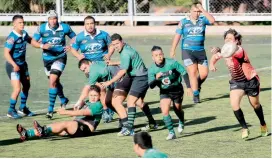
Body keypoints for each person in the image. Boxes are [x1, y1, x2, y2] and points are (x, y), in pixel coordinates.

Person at [209, 28, 269, 139]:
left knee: (255, 105)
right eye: (226, 38)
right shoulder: (226, 49)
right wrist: (212, 64)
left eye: (230, 38)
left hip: (250, 80)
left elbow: (232, 52)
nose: (227, 40)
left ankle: (263, 123)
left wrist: (219, 49)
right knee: (234, 104)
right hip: (237, 82)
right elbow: (216, 56)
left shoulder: (239, 50)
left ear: (236, 40)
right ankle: (244, 128)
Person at [101, 33, 157, 136]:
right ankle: (152, 123)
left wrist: (109, 82)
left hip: (141, 78)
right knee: (139, 102)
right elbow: (126, 62)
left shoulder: (125, 52)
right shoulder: (125, 48)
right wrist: (113, 63)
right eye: (113, 45)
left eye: (117, 43)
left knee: (131, 101)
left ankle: (129, 128)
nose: (116, 46)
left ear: (122, 41)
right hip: (136, 77)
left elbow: (123, 71)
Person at [16, 85, 103, 141]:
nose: (93, 97)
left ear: (99, 96)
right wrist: (79, 104)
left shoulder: (98, 106)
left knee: (65, 124)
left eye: (95, 95)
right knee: (56, 126)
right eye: (91, 95)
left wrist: (65, 112)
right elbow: (78, 111)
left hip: (86, 129)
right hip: (77, 126)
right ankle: (27, 133)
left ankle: (43, 130)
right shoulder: (87, 101)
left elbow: (83, 112)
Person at [4, 15, 51, 119]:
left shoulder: (24, 34)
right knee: (17, 88)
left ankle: (22, 108)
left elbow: (31, 41)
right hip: (13, 66)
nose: (22, 24)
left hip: (23, 65)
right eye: (20, 23)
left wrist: (42, 45)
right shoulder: (12, 37)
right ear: (14, 24)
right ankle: (11, 110)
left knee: (27, 85)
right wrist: (14, 65)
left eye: (23, 22)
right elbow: (6, 53)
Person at [70, 15, 115, 120]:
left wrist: (108, 55)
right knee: (98, 89)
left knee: (103, 89)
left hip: (103, 67)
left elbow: (111, 45)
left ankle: (106, 109)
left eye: (91, 23)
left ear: (95, 24)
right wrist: (78, 56)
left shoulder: (103, 34)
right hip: (90, 68)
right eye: (87, 24)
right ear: (84, 25)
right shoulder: (80, 37)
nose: (90, 26)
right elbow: (73, 49)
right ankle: (104, 110)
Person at [33, 10, 76, 119]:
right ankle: (63, 99)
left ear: (57, 19)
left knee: (52, 81)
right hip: (47, 58)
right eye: (51, 18)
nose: (53, 20)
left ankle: (50, 109)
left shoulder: (65, 27)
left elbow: (75, 37)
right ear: (47, 19)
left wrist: (71, 45)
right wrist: (42, 46)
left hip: (60, 57)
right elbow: (33, 41)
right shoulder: (41, 28)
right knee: (55, 82)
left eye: (55, 18)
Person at [170, 1, 215, 103]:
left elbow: (212, 20)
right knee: (193, 72)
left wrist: (203, 10)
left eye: (198, 11)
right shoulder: (183, 22)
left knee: (204, 74)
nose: (197, 13)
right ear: (190, 11)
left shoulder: (203, 20)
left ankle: (196, 87)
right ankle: (196, 95)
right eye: (195, 11)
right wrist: (173, 49)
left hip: (200, 51)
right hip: (187, 51)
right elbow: (177, 36)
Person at [148, 46, 191, 140]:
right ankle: (171, 132)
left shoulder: (172, 63)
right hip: (165, 91)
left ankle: (181, 121)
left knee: (177, 109)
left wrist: (188, 87)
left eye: (160, 54)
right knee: (165, 111)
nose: (159, 57)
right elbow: (151, 86)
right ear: (153, 57)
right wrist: (156, 78)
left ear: (163, 54)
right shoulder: (152, 69)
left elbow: (183, 72)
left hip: (177, 89)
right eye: (156, 55)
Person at [76, 58, 131, 125]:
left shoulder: (94, 70)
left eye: (85, 68)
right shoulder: (96, 64)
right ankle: (123, 116)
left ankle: (126, 124)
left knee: (116, 102)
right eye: (83, 71)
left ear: (89, 63)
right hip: (114, 83)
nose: (85, 71)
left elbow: (87, 88)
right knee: (107, 102)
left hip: (123, 79)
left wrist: (79, 101)